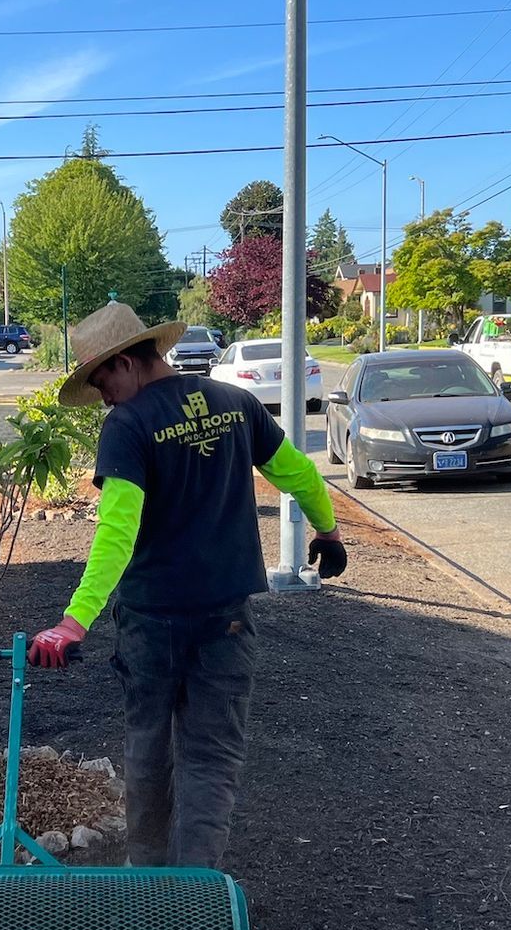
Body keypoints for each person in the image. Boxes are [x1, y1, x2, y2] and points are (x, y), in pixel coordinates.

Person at [27, 303, 346, 869]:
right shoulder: (235, 402)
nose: (104, 397)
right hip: (226, 618)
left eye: (103, 382)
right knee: (211, 760)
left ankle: (147, 885)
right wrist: (327, 529)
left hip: (152, 623)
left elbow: (117, 533)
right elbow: (298, 471)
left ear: (125, 362)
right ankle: (194, 892)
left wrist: (74, 620)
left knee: (149, 753)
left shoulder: (128, 425)